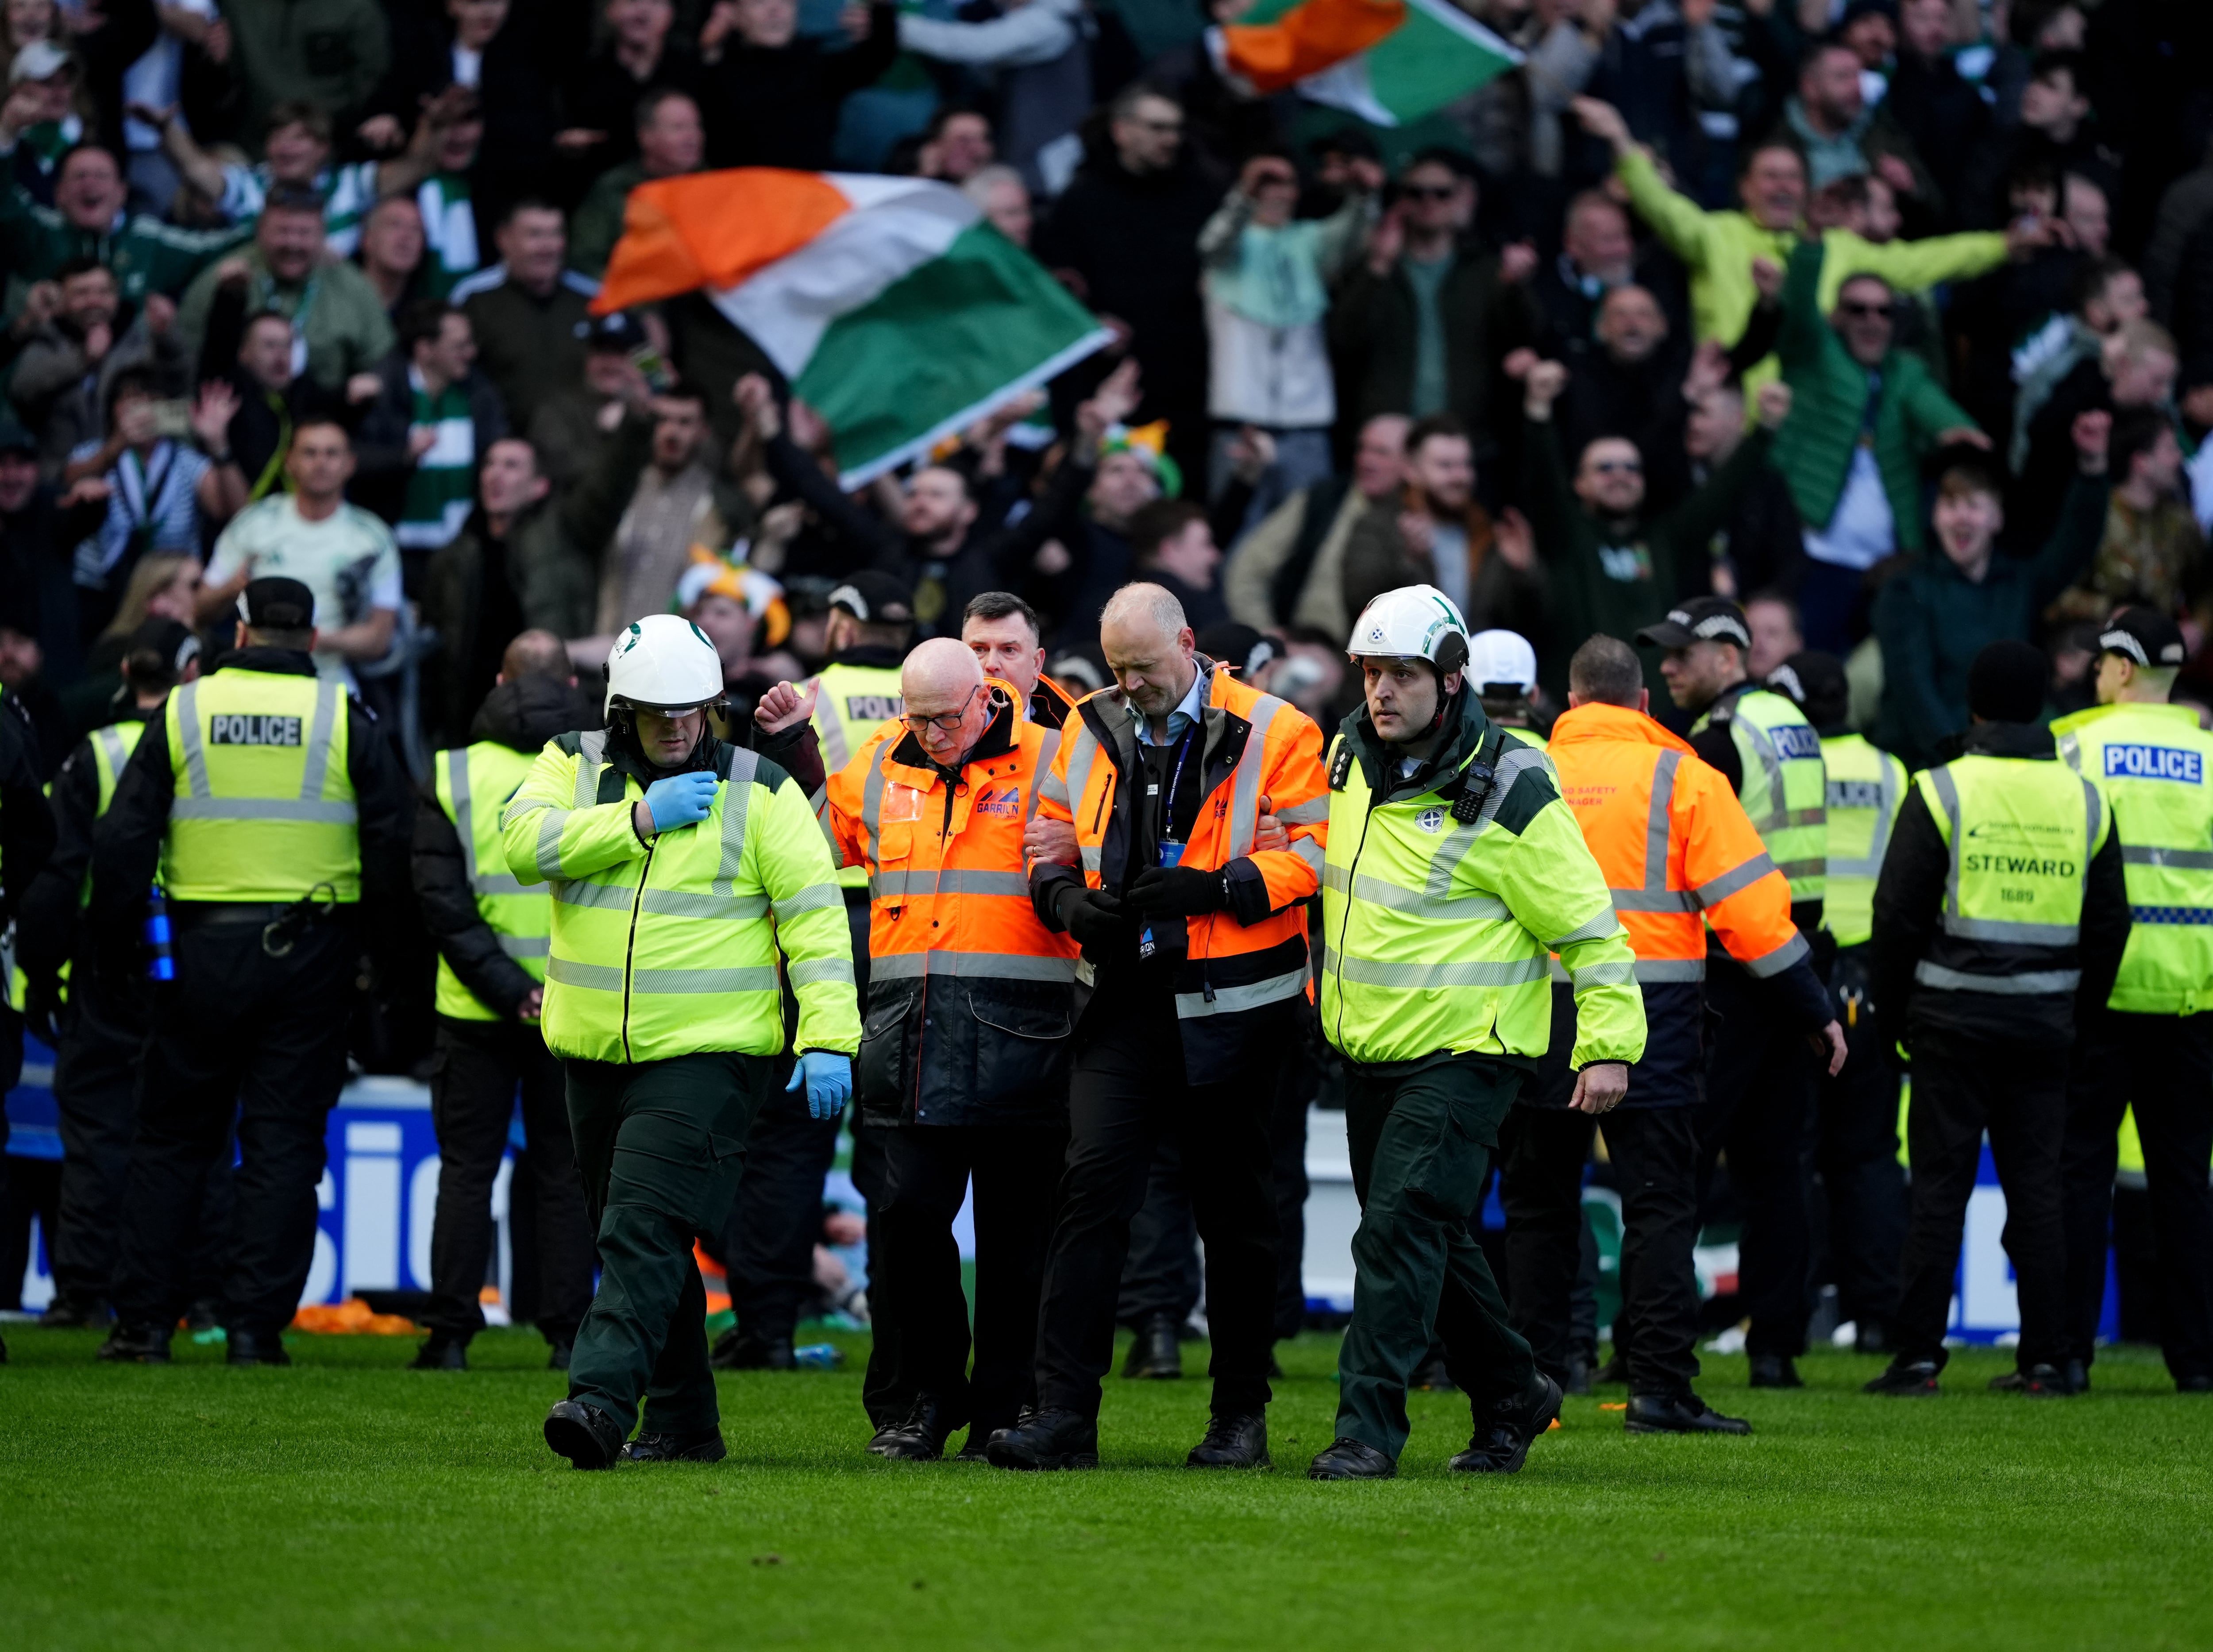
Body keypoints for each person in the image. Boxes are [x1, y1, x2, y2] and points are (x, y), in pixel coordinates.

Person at [1303, 587, 1643, 1481]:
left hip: (1470, 1054)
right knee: (1429, 1238)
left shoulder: (1512, 783)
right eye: (1372, 672)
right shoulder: (1347, 755)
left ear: (1451, 681)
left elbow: (1590, 927)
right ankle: (1514, 1396)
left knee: (1396, 1230)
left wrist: (1606, 1043)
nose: (1382, 691)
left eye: (1404, 674)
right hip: (1370, 1046)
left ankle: (1365, 1433)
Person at [505, 614, 857, 1467]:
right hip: (592, 1052)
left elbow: (816, 920)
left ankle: (597, 1402)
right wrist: (635, 823)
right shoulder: (571, 763)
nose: (677, 725)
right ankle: (686, 1426)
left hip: (711, 1055)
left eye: (693, 708)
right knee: (644, 1243)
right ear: (621, 709)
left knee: (641, 1228)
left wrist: (830, 1037)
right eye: (658, 710)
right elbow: (521, 845)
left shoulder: (760, 787)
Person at [995, 581, 1327, 1471]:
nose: (1131, 684)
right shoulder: (1087, 726)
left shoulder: (1279, 728)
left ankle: (1237, 1419)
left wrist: (1219, 889)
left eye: (1143, 667)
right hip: (1124, 996)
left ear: (1187, 642)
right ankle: (1063, 1414)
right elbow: (1049, 836)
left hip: (1239, 1005)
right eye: (1117, 668)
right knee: (1090, 1195)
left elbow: (1316, 855)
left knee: (1237, 1217)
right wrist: (1066, 901)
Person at [90, 576, 411, 1366]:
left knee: (170, 1140)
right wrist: (390, 968)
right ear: (309, 639)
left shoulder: (184, 709)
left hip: (196, 953)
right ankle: (253, 1330)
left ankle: (142, 1326)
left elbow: (123, 843)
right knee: (282, 1146)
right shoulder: (344, 715)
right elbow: (393, 850)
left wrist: (111, 956)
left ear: (237, 635)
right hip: (312, 957)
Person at [1544, 633, 1841, 1433]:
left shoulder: (1526, 768)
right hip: (1655, 1017)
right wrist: (1813, 1005)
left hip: (1539, 1014)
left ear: (1571, 703)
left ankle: (1534, 1381)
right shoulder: (1684, 773)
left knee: (1540, 1200)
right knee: (1661, 1205)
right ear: (1643, 703)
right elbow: (1750, 911)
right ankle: (1658, 1389)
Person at [821, 640, 1079, 1459]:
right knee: (905, 1224)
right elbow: (832, 842)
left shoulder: (1055, 758)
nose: (930, 733)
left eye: (944, 717)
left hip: (1024, 1032)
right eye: (917, 717)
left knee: (1017, 1241)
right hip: (913, 1031)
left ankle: (1007, 1408)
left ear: (987, 696)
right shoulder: (878, 764)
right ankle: (923, 1400)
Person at [1866, 640, 2132, 1398]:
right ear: (2043, 703)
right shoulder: (2084, 797)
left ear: (1974, 706)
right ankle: (2050, 1357)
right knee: (2040, 1192)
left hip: (1950, 1020)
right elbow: (2111, 924)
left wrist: (1893, 1017)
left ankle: (1917, 1356)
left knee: (1940, 1191)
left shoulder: (1944, 788)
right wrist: (2077, 1012)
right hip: (2046, 1027)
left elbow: (1897, 917)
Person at [1638, 594, 1827, 1387]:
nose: (1669, 667)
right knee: (1776, 1168)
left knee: (1681, 1164)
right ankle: (1775, 1347)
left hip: (1728, 972)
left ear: (1730, 653)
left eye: (1683, 654)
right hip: (1794, 964)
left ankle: (1654, 1345)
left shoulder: (1715, 740)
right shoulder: (1794, 724)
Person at [409, 631, 598, 1373]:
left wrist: (505, 987)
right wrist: (541, 989)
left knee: (466, 1170)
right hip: (573, 1002)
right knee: (564, 1172)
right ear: (575, 688)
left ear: (498, 679)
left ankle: (450, 1334)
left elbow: (440, 903)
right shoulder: (600, 773)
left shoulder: (454, 772)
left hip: (475, 1008)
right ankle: (566, 1337)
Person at [17, 618, 204, 1330]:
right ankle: (198, 1295)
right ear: (191, 674)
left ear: (126, 675)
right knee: (194, 1135)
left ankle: (82, 1294)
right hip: (194, 958)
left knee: (98, 1134)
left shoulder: (93, 754)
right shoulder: (206, 748)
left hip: (107, 963)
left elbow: (53, 880)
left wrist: (41, 975)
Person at [2051, 610, 2213, 1393]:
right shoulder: (2212, 757)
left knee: (2081, 1174)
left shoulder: (2075, 746)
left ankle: (2070, 1354)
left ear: (2121, 668)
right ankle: (2197, 1361)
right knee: (2187, 1181)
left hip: (2098, 992)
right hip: (2190, 995)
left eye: (2100, 660)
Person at [1763, 648, 1909, 1353]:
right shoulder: (1890, 771)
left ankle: (1791, 1314)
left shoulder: (1783, 765)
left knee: (1791, 1151)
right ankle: (1877, 1313)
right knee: (1871, 1153)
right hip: (1872, 976)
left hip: (1798, 970)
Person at [1520, 359, 1791, 702]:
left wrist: (1765, 428)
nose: (1620, 475)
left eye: (1631, 468)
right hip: (1581, 715)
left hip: (1655, 717)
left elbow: (1721, 493)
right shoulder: (1568, 536)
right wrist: (1539, 410)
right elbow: (1544, 479)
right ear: (1579, 484)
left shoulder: (1664, 540)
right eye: (1605, 468)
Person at [1770, 241, 1988, 651]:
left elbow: (1931, 405)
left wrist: (1958, 433)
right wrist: (1811, 247)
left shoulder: (1906, 372)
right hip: (1815, 559)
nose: (1872, 320)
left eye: (1884, 311)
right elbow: (1798, 311)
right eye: (1858, 310)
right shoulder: (1814, 355)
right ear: (1836, 317)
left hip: (1885, 568)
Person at [1872, 420, 2111, 769]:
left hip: (2000, 760)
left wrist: (2092, 469)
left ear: (1997, 518)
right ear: (1936, 518)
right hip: (1928, 764)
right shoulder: (1907, 590)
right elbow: (1915, 692)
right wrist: (1959, 759)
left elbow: (2074, 545)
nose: (1960, 517)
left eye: (1973, 505)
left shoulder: (2018, 582)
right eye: (1950, 505)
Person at [1033, 85, 1218, 483]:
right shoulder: (1080, 203)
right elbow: (1057, 292)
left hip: (1189, 385)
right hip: (1114, 386)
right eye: (1156, 128)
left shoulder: (1203, 195)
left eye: (1175, 129)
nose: (1170, 139)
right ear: (1122, 132)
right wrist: (1093, 325)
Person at [1197, 151, 1374, 511]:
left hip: (1306, 427)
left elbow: (1354, 238)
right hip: (1240, 424)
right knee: (1236, 543)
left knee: (1306, 542)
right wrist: (1242, 198)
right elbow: (1211, 245)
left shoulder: (1310, 241)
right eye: (1266, 183)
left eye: (1286, 183)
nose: (1275, 193)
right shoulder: (1228, 244)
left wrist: (1362, 194)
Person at [1328, 149, 1534, 458]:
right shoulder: (1374, 270)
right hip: (1389, 445)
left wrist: (1515, 287)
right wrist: (1378, 267)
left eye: (1442, 193)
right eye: (1416, 193)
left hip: (1466, 443)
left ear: (1460, 199)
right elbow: (1344, 342)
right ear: (1402, 200)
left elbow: (1524, 339)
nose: (1429, 201)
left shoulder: (1484, 270)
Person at [199, 418, 402, 688]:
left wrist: (305, 640)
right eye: (310, 452)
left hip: (331, 683)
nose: (321, 462)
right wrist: (231, 588)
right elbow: (198, 610)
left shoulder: (373, 538)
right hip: (252, 682)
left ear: (350, 464)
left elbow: (379, 639)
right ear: (289, 461)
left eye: (332, 453)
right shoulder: (253, 524)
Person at [62, 365, 242, 637]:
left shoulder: (185, 461)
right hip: (98, 592)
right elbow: (66, 485)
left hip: (171, 594)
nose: (144, 412)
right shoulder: (94, 454)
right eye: (132, 402)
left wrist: (219, 445)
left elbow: (236, 511)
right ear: (113, 409)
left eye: (153, 402)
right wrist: (117, 445)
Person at [176, 186, 396, 394]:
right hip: (238, 417)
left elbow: (383, 367)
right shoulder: (224, 279)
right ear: (261, 230)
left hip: (325, 421)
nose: (293, 243)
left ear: (322, 236)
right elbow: (184, 360)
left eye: (304, 233)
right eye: (283, 231)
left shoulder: (351, 286)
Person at [354, 299, 508, 572]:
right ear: (425, 350)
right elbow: (354, 461)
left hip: (464, 549)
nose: (471, 353)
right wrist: (404, 456)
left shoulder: (479, 393)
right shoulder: (381, 393)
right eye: (459, 346)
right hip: (392, 550)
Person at [1222, 413, 1408, 638]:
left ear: (1411, 463)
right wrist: (1269, 636)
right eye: (1363, 449)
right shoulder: (1323, 500)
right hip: (1304, 650)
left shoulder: (1420, 517)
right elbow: (1247, 568)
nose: (1366, 460)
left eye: (1381, 453)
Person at [0, 139, 248, 305]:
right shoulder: (39, 231)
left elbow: (213, 248)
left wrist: (269, 223)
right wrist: (8, 131)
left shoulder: (148, 239)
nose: (90, 184)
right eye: (80, 176)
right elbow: (5, 202)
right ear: (59, 194)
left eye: (101, 176)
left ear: (122, 193)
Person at [451, 201, 601, 434]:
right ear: (504, 239)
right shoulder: (472, 298)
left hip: (579, 452)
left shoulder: (594, 297)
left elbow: (641, 350)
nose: (547, 247)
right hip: (501, 449)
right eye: (535, 235)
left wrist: (659, 382)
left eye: (555, 234)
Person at [697, 0, 898, 171]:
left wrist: (880, 9)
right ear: (736, 16)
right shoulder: (716, 72)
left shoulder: (819, 66)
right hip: (742, 197)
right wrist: (707, 49)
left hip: (810, 197)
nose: (775, 9)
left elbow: (877, 57)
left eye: (784, 1)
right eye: (758, 2)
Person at [568, 88, 703, 281]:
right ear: (646, 137)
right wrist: (636, 306)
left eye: (697, 127)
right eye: (679, 128)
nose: (693, 138)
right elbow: (585, 261)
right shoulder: (615, 189)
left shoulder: (714, 182)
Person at [961, 589, 1077, 730]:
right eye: (979, 649)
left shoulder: (1072, 737)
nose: (992, 664)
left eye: (1009, 650)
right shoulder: (931, 732)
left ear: (1036, 664)